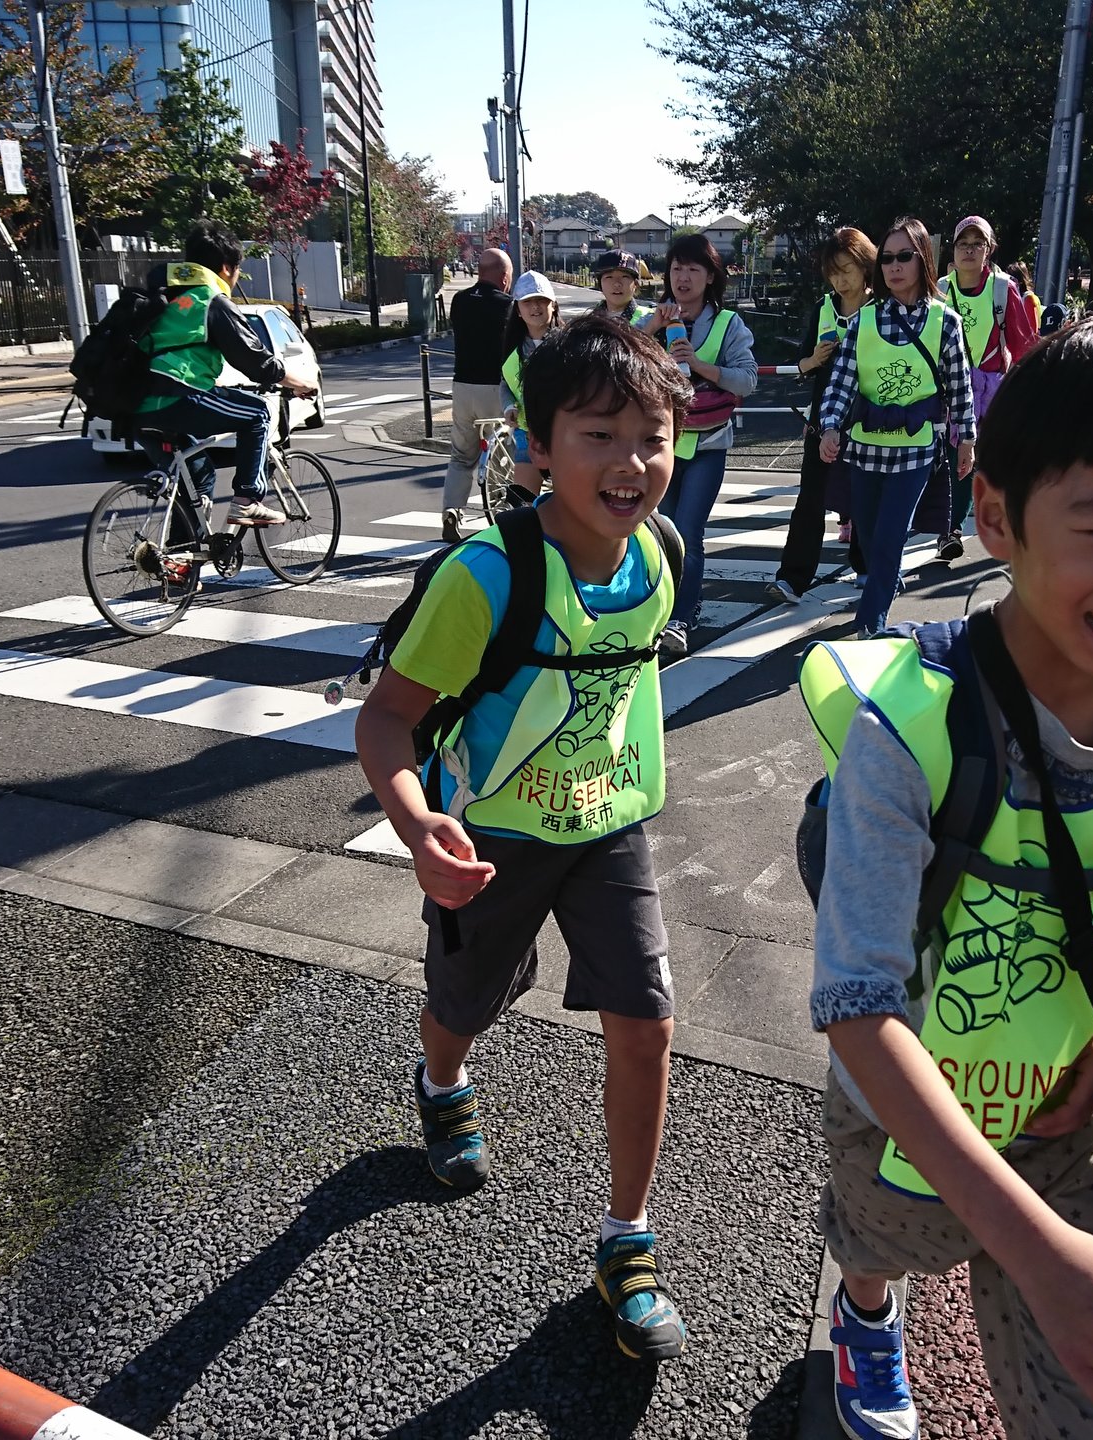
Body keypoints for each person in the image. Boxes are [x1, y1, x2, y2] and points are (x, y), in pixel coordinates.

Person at [810, 312, 1093, 1440]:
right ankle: (866, 1318)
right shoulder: (911, 731)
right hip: (903, 1123)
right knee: (876, 1247)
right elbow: (858, 1003)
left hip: (1073, 1107)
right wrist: (1040, 1258)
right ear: (998, 517)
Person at [354, 313, 693, 1363]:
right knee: (466, 1007)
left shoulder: (662, 555)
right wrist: (419, 828)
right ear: (538, 446)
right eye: (599, 436)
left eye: (653, 435)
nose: (631, 464)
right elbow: (385, 720)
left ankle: (625, 1241)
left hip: (610, 825)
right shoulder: (487, 577)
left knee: (647, 1020)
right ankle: (442, 1082)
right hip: (492, 837)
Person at [817, 216, 977, 638]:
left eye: (904, 256)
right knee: (869, 541)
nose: (893, 266)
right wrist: (830, 427)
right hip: (864, 448)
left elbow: (960, 387)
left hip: (916, 448)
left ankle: (870, 629)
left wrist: (967, 440)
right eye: (886, 258)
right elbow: (841, 383)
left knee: (888, 540)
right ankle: (884, 587)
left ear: (922, 259)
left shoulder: (946, 321)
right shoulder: (862, 321)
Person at [134, 220, 318, 530]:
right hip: (178, 398)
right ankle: (247, 502)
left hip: (137, 406)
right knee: (257, 413)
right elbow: (256, 361)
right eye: (235, 271)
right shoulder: (210, 301)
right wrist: (301, 383)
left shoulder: (165, 301)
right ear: (225, 268)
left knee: (198, 476)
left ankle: (180, 566)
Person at [652, 233, 758, 656]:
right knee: (661, 534)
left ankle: (681, 616)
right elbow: (618, 354)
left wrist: (698, 364)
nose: (683, 276)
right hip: (659, 444)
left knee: (688, 531)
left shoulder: (729, 324)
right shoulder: (655, 318)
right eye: (677, 267)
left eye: (693, 268)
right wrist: (650, 328)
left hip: (708, 445)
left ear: (710, 275)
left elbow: (747, 380)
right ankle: (661, 610)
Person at [771, 226, 875, 605]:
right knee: (810, 498)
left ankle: (866, 566)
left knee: (865, 495)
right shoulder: (823, 308)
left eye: (847, 269)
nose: (840, 279)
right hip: (823, 419)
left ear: (866, 266)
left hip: (869, 419)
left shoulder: (884, 307)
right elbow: (801, 363)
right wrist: (813, 360)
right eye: (833, 272)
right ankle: (792, 577)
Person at [935, 216, 1037, 560]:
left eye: (976, 244)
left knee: (993, 461)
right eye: (962, 243)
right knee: (957, 459)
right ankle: (950, 530)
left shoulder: (1002, 287)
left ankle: (1012, 520)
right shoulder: (941, 288)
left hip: (992, 389)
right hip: (951, 387)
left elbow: (1023, 343)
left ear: (988, 249)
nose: (968, 250)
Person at [442, 247, 516, 543]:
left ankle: (451, 510)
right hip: (495, 388)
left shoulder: (459, 301)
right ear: (504, 277)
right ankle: (504, 513)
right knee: (507, 453)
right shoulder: (509, 305)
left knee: (461, 456)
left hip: (462, 388)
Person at [501, 270, 562, 502]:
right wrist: (508, 407)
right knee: (522, 505)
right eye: (528, 302)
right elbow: (505, 383)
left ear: (553, 305)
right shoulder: (512, 348)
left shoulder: (568, 342)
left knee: (570, 504)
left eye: (541, 301)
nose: (535, 307)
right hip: (527, 434)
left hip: (563, 435)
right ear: (518, 309)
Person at [590, 250, 654, 329]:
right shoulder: (589, 321)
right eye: (609, 277)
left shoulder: (651, 319)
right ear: (600, 284)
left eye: (624, 277)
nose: (617, 283)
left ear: (635, 284)